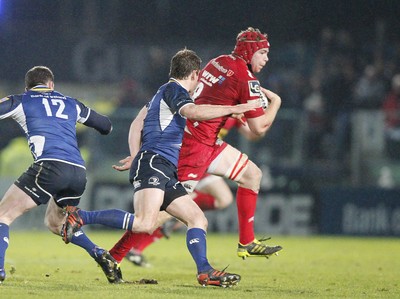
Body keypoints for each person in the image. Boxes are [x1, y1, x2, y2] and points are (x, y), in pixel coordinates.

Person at [62, 48, 260, 287]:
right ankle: (80, 216)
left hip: (164, 168)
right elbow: (192, 111)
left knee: (197, 219)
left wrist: (135, 154)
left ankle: (205, 271)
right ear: (196, 74)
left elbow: (137, 123)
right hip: (154, 163)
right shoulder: (174, 90)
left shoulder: (161, 92)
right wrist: (233, 108)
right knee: (145, 222)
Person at [107, 27, 283, 266]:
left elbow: (217, 98)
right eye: (263, 53)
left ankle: (247, 243)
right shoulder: (247, 79)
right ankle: (116, 254)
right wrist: (275, 103)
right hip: (196, 147)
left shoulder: (218, 61)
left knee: (252, 175)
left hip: (207, 141)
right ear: (251, 51)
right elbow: (259, 129)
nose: (266, 59)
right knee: (165, 211)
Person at [0, 66, 114, 284]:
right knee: (56, 223)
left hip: (50, 167)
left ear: (28, 86)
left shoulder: (22, 100)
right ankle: (98, 252)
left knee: (3, 215)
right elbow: (106, 126)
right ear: (51, 85)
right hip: (78, 173)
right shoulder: (71, 103)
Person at [123, 117, 265, 267]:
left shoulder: (235, 111)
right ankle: (126, 249)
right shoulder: (213, 103)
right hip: (189, 157)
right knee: (162, 214)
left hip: (206, 158)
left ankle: (134, 247)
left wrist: (266, 117)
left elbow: (253, 133)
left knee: (223, 199)